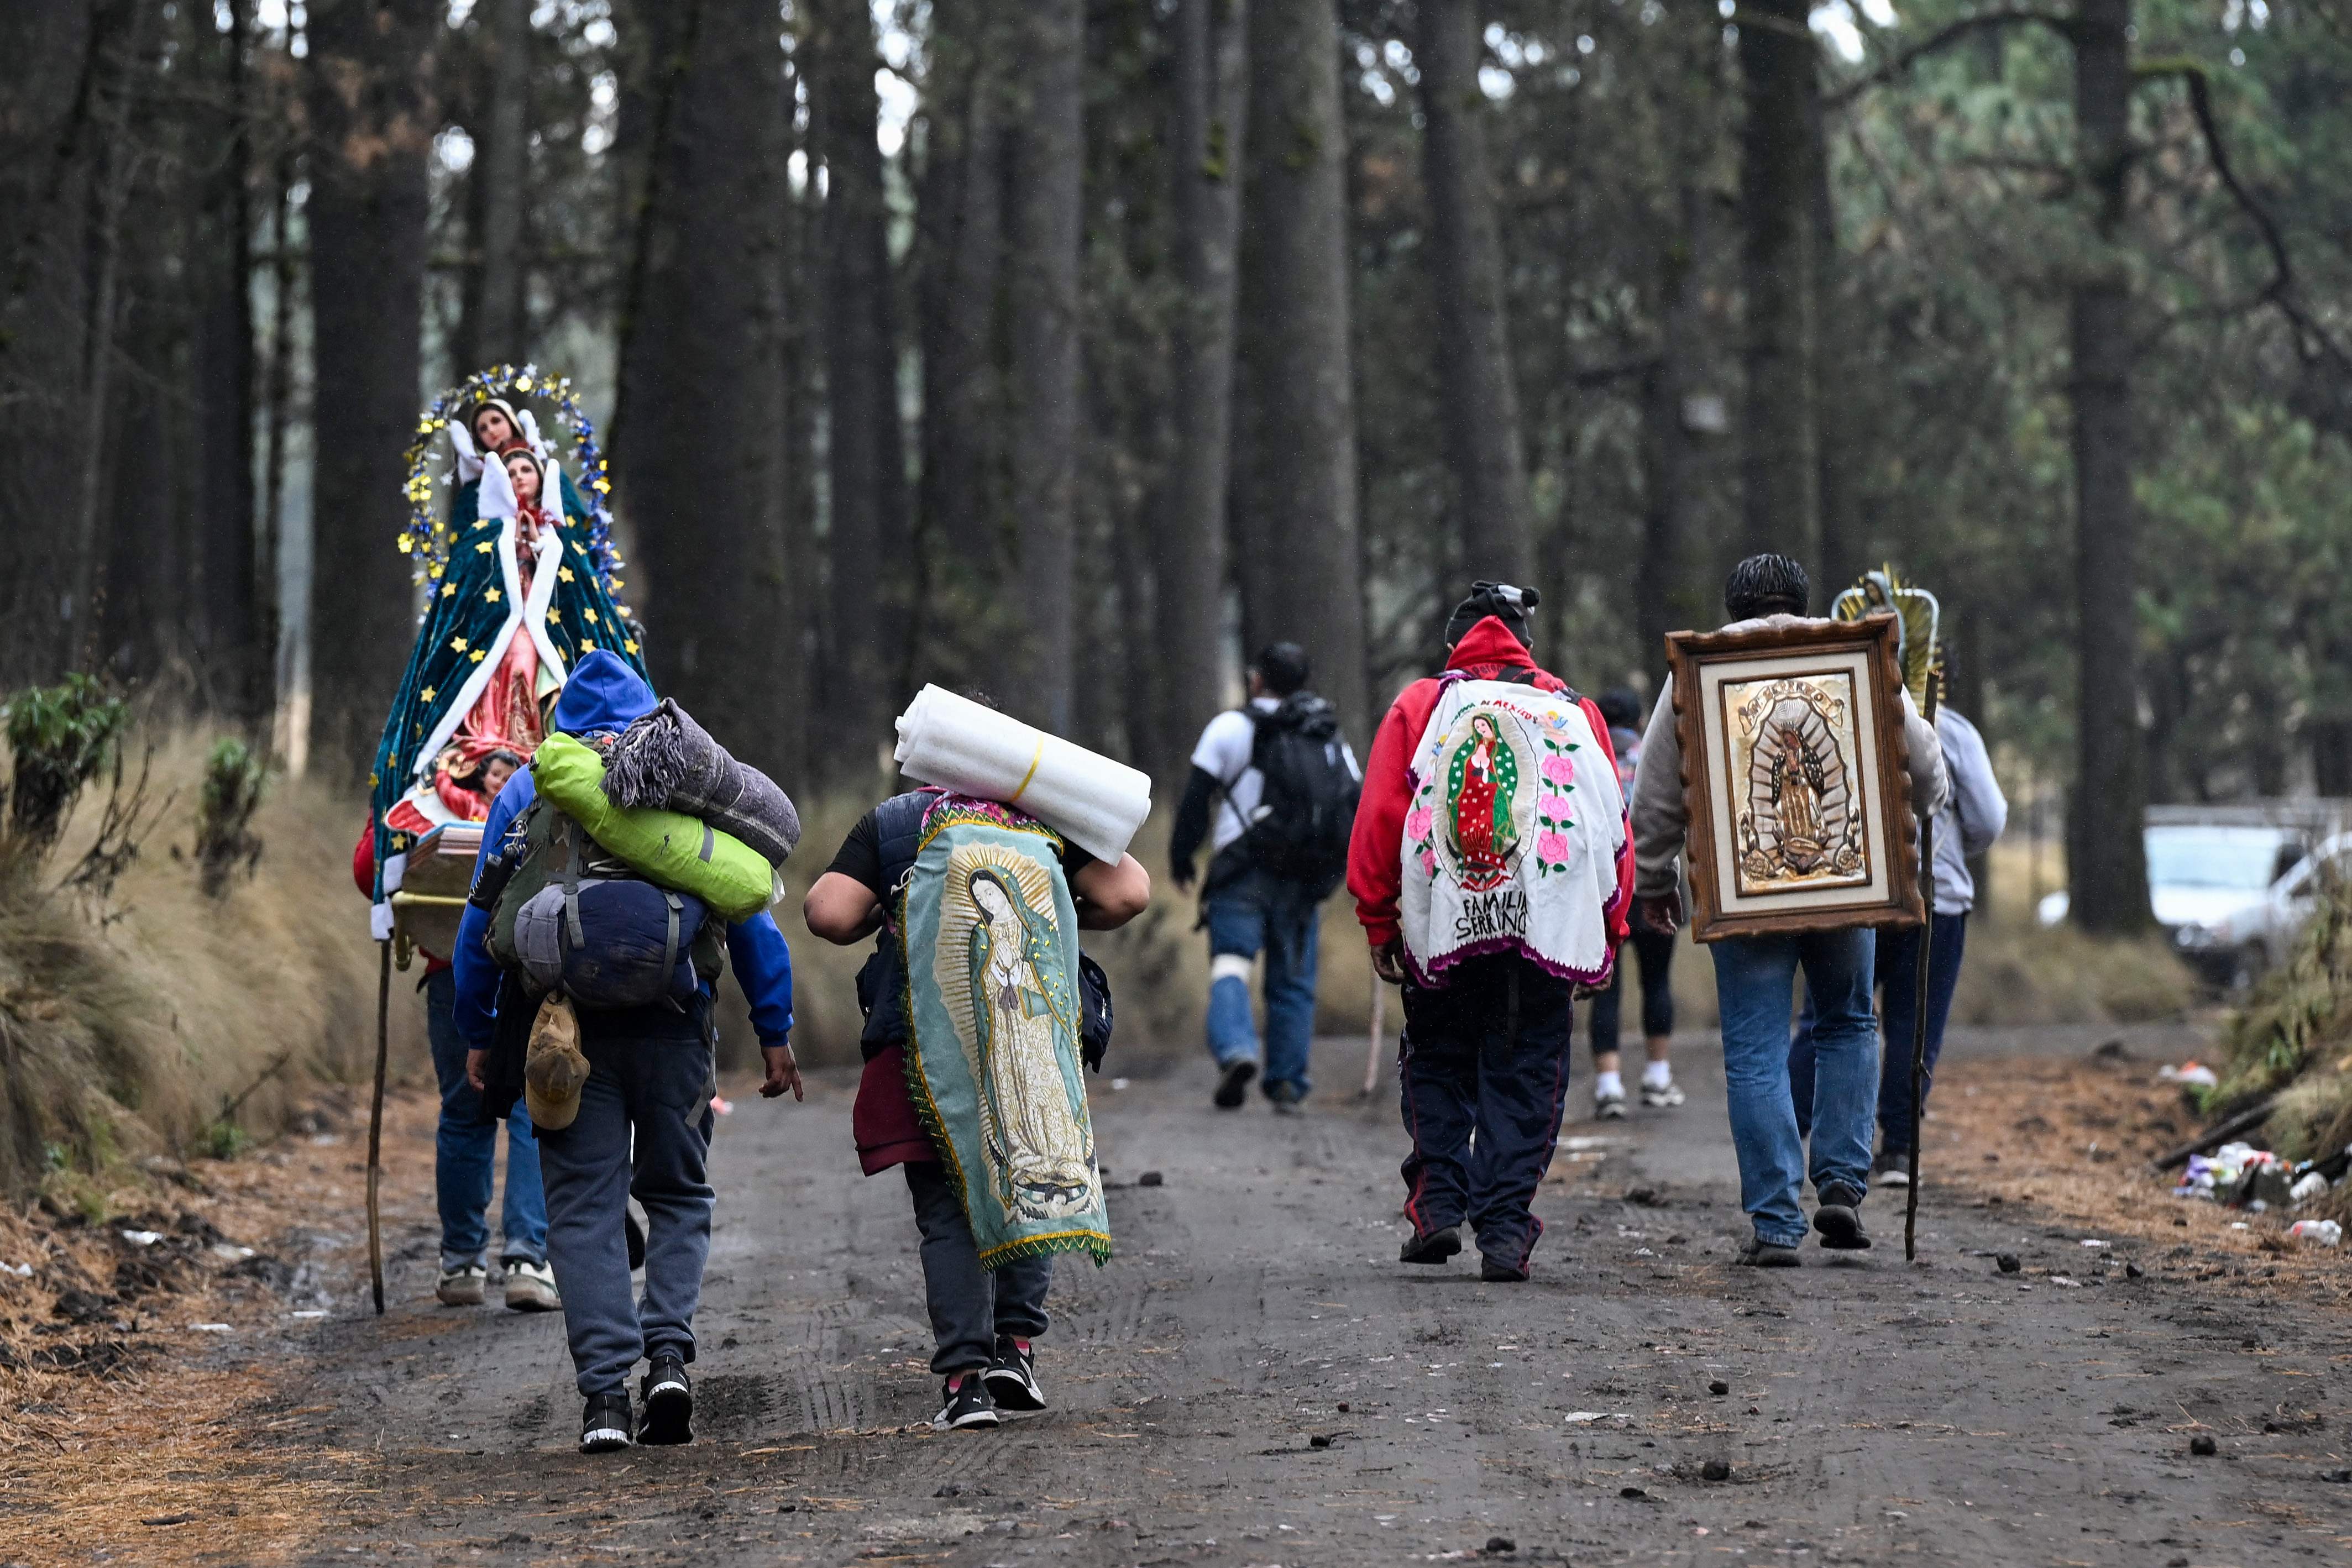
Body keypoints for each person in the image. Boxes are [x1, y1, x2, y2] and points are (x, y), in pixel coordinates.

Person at [452, 651, 802, 1455]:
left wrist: (478, 1034)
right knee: (678, 1193)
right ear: (648, 712)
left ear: (561, 718)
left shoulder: (532, 783)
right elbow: (749, 914)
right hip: (676, 1022)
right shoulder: (679, 780)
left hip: (565, 1031)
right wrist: (774, 1030)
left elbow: (481, 922)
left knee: (582, 1210)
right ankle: (669, 1355)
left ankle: (605, 1398)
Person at [1628, 554, 1948, 1266]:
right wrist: (1920, 809)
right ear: (1803, 600)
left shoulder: (1701, 672)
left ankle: (1775, 1222)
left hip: (1746, 891)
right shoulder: (1851, 659)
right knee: (1847, 1020)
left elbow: (1654, 793)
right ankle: (1840, 1177)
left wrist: (1653, 880)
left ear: (1732, 605)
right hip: (1846, 884)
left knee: (1755, 1051)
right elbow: (1924, 769)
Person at [805, 784, 1150, 1430]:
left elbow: (826, 913)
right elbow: (1129, 892)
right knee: (1029, 1169)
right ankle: (1014, 1350)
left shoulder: (897, 820)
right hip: (1027, 1042)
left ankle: (964, 1384)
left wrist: (892, 904)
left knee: (946, 1211)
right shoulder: (1043, 810)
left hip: (926, 1040)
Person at [1348, 583, 1632, 1283]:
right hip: (1545, 927)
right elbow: (1609, 829)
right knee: (1528, 1066)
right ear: (1525, 645)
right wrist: (1607, 930)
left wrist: (1380, 919)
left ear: (1455, 643)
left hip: (1443, 918)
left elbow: (1382, 817)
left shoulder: (1422, 705)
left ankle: (1439, 1201)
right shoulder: (1572, 711)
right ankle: (1504, 1230)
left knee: (1439, 1056)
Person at [1788, 690, 2006, 1183]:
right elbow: (1988, 819)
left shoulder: (1835, 707)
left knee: (1829, 1019)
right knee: (1913, 1025)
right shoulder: (1951, 730)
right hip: (1934, 896)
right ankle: (1898, 1149)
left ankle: (1784, 1133)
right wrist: (1951, 848)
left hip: (1854, 891)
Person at [350, 823, 553, 1312]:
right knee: (535, 1108)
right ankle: (528, 1260)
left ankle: (463, 1262)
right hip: (537, 961)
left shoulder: (427, 782)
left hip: (451, 970)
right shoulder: (544, 772)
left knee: (466, 1110)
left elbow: (368, 869)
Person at [1169, 643, 1361, 1112]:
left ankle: (1236, 1049)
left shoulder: (1232, 727)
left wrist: (1182, 857)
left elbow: (1197, 799)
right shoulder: (1326, 734)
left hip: (1243, 869)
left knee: (1231, 964)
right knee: (1292, 981)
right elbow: (1352, 802)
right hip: (1304, 874)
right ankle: (1288, 1083)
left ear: (1257, 680)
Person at [1585, 686, 1682, 1120]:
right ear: (1640, 721)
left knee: (1607, 987)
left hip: (1603, 892)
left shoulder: (1587, 757)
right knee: (1657, 981)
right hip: (1652, 882)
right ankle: (1658, 1076)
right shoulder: (1652, 759)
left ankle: (1609, 1085)